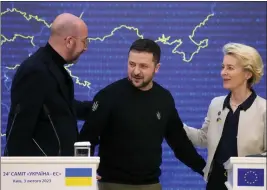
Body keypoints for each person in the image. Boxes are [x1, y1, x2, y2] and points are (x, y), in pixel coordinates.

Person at [79, 39, 206, 190]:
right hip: (111, 184)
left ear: (156, 68)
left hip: (151, 185)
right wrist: (82, 172)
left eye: (143, 66)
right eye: (132, 64)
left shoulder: (164, 99)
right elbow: (86, 139)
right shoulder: (108, 96)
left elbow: (180, 143)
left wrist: (206, 171)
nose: (136, 71)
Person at [5, 13, 92, 156]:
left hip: (56, 170)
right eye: (85, 41)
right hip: (42, 174)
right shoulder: (35, 71)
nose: (85, 48)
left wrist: (100, 106)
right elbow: (19, 131)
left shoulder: (53, 68)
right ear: (69, 41)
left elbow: (61, 107)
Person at [184, 42, 266, 190]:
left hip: (248, 184)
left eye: (230, 68)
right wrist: (175, 125)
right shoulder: (216, 104)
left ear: (248, 73)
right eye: (223, 67)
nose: (223, 72)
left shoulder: (263, 110)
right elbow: (204, 138)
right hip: (216, 183)